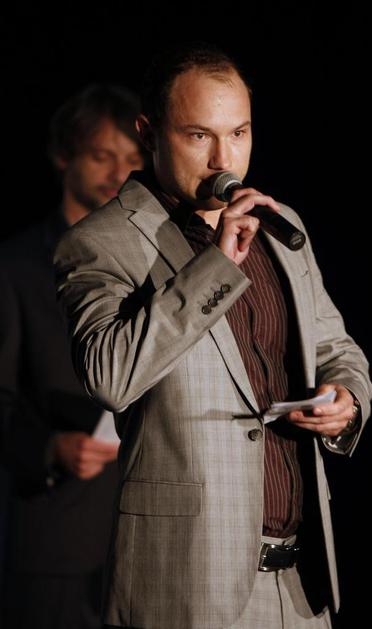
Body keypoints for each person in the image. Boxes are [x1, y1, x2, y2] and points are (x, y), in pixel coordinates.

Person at [54, 44, 372, 629]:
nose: (224, 159)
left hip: (301, 582)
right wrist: (216, 266)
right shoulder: (102, 241)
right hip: (188, 585)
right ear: (149, 133)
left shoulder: (281, 226)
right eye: (199, 136)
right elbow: (109, 376)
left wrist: (346, 401)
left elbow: (337, 348)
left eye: (239, 134)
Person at [0, 84, 146, 629]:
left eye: (132, 159)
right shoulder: (16, 266)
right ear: (65, 156)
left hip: (146, 541)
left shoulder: (153, 265)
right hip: (58, 542)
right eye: (102, 155)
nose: (119, 172)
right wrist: (48, 448)